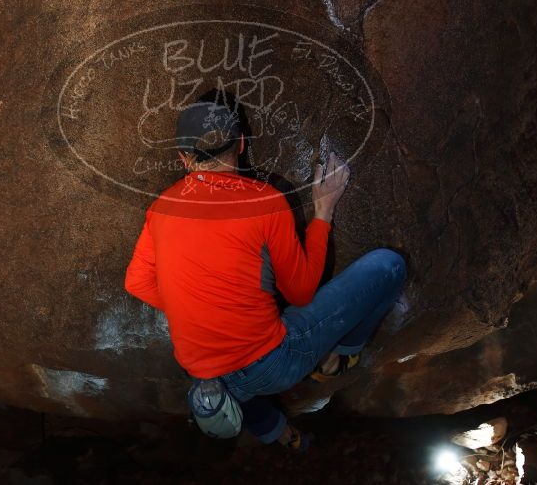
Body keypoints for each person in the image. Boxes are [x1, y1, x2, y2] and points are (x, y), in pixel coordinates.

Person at [124, 91, 406, 450]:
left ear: (183, 158)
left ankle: (280, 435)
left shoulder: (160, 210)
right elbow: (301, 292)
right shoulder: (264, 203)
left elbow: (136, 282)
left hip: (203, 375)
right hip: (271, 364)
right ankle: (341, 356)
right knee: (389, 265)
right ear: (240, 144)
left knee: (232, 378)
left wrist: (205, 308)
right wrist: (323, 213)